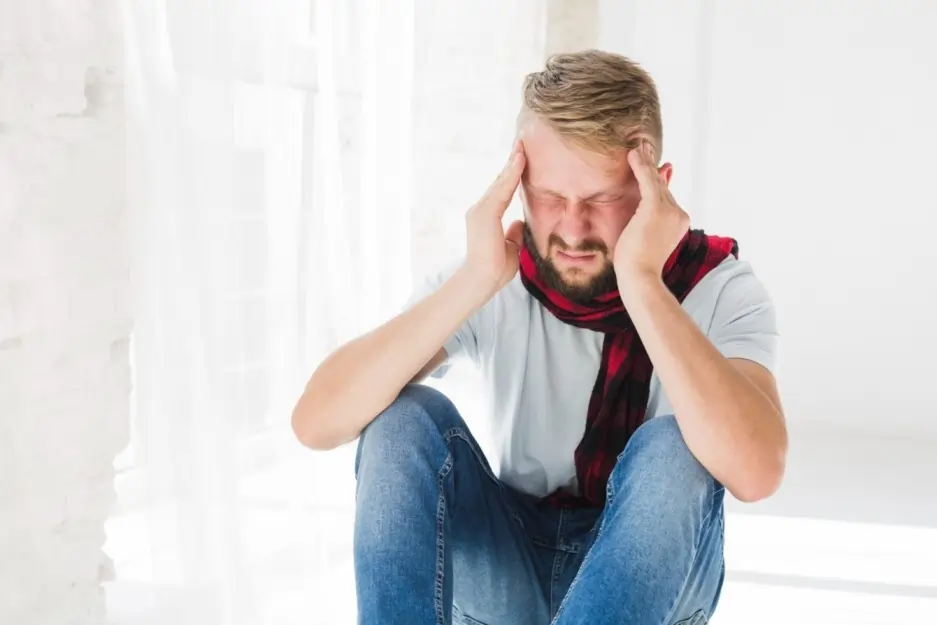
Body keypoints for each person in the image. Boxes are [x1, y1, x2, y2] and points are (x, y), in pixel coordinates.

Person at [292, 49, 788, 625]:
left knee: (674, 448)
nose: (573, 229)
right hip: (506, 572)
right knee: (402, 419)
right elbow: (316, 422)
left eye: (602, 199)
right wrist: (475, 280)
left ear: (658, 188)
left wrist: (644, 284)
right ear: (519, 187)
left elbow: (756, 473)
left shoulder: (719, 289)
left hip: (653, 582)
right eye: (551, 198)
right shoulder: (493, 275)